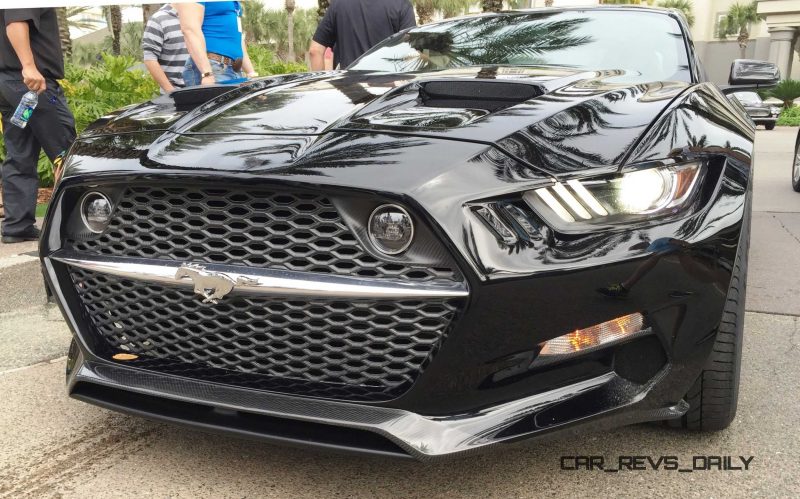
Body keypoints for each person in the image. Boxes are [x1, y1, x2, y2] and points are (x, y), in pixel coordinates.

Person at [0, 8, 75, 243]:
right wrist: (29, 66)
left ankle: (17, 226)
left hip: (9, 85)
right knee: (68, 152)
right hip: (32, 83)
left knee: (19, 153)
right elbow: (15, 22)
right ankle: (74, 228)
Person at [309, 0, 416, 71]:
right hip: (387, 96)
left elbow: (315, 51)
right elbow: (410, 55)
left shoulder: (339, 4)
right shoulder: (402, 5)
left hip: (347, 94)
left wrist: (322, 90)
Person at [176, 1, 256, 86]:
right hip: (213, 68)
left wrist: (251, 74)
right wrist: (206, 73)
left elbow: (237, 38)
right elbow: (189, 29)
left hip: (234, 70)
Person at [142, 3, 189, 94]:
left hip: (204, 91)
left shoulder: (202, 16)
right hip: (176, 94)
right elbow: (150, 59)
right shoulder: (158, 19)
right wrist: (171, 92)